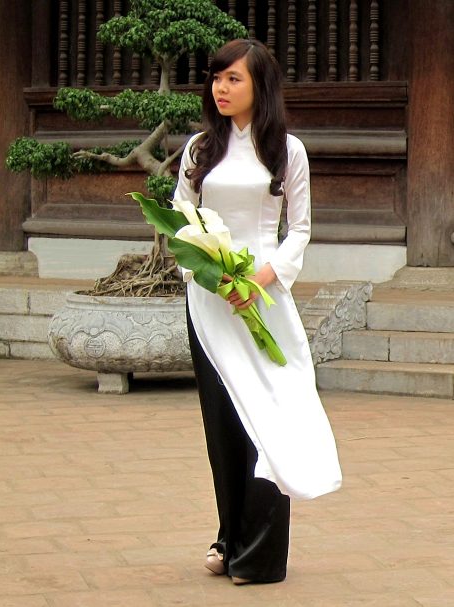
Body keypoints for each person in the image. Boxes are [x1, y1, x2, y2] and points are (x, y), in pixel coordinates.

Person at [173, 38, 342, 585]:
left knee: (265, 420)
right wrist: (208, 274)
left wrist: (259, 279)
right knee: (223, 424)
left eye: (233, 79)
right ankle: (229, 539)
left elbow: (301, 230)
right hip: (211, 300)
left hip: (262, 298)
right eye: (216, 78)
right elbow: (182, 220)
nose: (220, 88)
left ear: (260, 85)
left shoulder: (287, 150)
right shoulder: (200, 149)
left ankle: (262, 556)